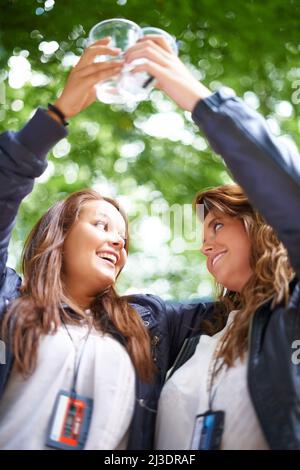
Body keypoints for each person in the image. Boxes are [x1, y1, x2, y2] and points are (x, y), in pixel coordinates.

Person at [0, 38, 215, 450]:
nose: (118, 240)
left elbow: (251, 291)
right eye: (102, 225)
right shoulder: (7, 300)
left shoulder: (152, 324)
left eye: (123, 236)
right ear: (58, 237)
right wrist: (56, 115)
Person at [123, 37, 300, 449]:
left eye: (217, 227)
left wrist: (197, 99)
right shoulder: (194, 331)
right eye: (202, 237)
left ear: (261, 223)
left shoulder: (291, 309)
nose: (205, 246)